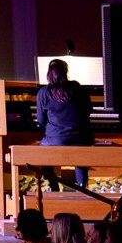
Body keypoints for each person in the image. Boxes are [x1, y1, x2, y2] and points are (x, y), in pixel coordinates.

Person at [35, 58, 94, 190]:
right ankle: (82, 185)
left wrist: (54, 129)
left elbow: (41, 120)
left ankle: (52, 183)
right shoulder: (77, 88)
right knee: (82, 146)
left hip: (55, 139)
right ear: (66, 72)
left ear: (49, 74)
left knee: (42, 147)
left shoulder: (43, 92)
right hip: (79, 138)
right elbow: (88, 112)